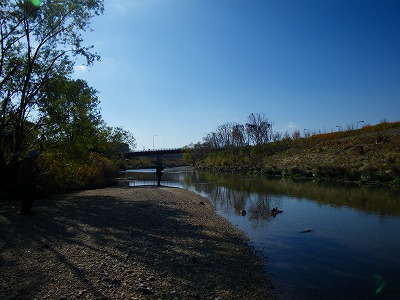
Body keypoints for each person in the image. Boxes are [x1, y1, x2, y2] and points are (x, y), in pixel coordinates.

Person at [18, 149, 41, 215]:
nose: (37, 156)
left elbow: (35, 171)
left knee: (30, 197)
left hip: (30, 182)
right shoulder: (27, 162)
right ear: (32, 156)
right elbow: (27, 173)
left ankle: (27, 211)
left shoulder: (33, 162)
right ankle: (24, 211)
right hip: (26, 182)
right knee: (27, 197)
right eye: (36, 155)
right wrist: (36, 175)